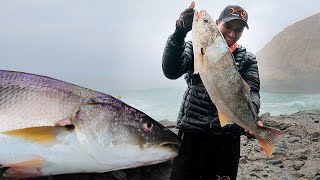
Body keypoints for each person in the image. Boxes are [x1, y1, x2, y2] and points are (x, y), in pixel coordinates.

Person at [162, 2, 263, 180]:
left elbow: (252, 91)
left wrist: (251, 118)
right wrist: (179, 34)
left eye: (238, 30)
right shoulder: (196, 49)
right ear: (217, 23)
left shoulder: (247, 59)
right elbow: (171, 71)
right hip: (192, 134)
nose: (232, 34)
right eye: (228, 26)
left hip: (227, 140)